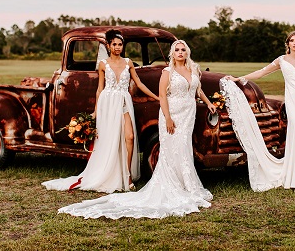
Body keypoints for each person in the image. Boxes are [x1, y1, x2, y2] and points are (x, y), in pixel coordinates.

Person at [56, 40, 215, 219]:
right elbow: (162, 94)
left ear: (187, 52)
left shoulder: (193, 69)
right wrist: (167, 117)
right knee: (166, 147)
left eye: (183, 50)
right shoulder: (166, 72)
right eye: (176, 50)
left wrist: (209, 103)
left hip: (187, 113)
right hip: (159, 111)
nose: (180, 52)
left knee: (183, 147)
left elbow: (197, 89)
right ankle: (131, 176)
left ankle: (185, 182)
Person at [42, 30, 159, 193]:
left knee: (130, 137)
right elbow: (99, 89)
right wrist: (96, 112)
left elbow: (138, 83)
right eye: (115, 44)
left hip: (124, 101)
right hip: (108, 102)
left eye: (120, 44)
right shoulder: (103, 64)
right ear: (109, 46)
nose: (118, 47)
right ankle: (110, 173)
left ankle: (128, 174)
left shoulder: (128, 62)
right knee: (109, 139)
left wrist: (157, 97)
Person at [225, 30, 295, 189]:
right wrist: (238, 78)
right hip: (294, 104)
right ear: (288, 43)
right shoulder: (281, 60)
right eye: (292, 40)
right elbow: (261, 72)